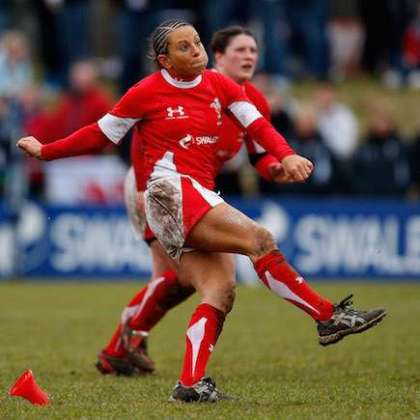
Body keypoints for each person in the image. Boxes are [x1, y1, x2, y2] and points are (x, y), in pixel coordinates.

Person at [17, 20, 386, 403]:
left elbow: (258, 127)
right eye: (185, 47)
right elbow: (101, 133)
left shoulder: (221, 85)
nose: (196, 50)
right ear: (164, 60)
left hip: (199, 193)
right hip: (168, 190)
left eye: (197, 42)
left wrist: (285, 156)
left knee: (220, 290)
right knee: (258, 240)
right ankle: (326, 316)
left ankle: (189, 384)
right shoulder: (146, 91)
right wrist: (46, 151)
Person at [95, 25, 294, 377]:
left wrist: (275, 168)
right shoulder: (194, 85)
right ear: (218, 56)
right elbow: (142, 133)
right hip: (155, 187)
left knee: (183, 280)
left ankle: (124, 345)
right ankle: (122, 346)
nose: (249, 56)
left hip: (191, 192)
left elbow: (258, 155)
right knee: (174, 275)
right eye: (240, 50)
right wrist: (142, 185)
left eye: (253, 50)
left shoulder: (251, 102)